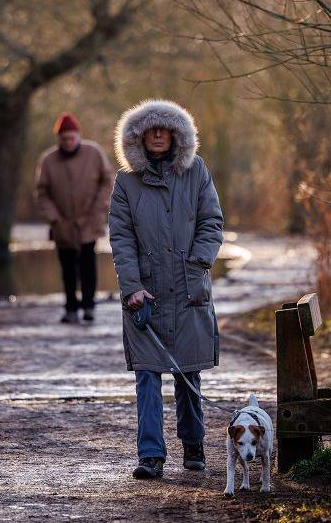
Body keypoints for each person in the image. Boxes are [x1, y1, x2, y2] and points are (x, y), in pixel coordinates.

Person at [108, 100, 224, 479]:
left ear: (176, 134)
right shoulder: (126, 183)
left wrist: (199, 264)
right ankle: (151, 456)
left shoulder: (197, 172)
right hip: (146, 294)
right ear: (138, 136)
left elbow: (211, 222)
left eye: (164, 129)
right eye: (150, 129)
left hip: (189, 289)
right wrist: (131, 287)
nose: (157, 135)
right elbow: (121, 237)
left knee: (189, 374)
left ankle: (194, 447)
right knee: (147, 373)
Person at [35, 112, 114, 324]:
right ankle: (71, 307)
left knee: (88, 264)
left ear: (78, 136)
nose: (68, 142)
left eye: (71, 138)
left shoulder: (94, 153)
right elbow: (42, 193)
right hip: (62, 223)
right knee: (68, 267)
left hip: (90, 219)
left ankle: (89, 306)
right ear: (58, 139)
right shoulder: (49, 160)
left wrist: (99, 209)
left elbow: (107, 182)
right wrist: (54, 219)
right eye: (64, 139)